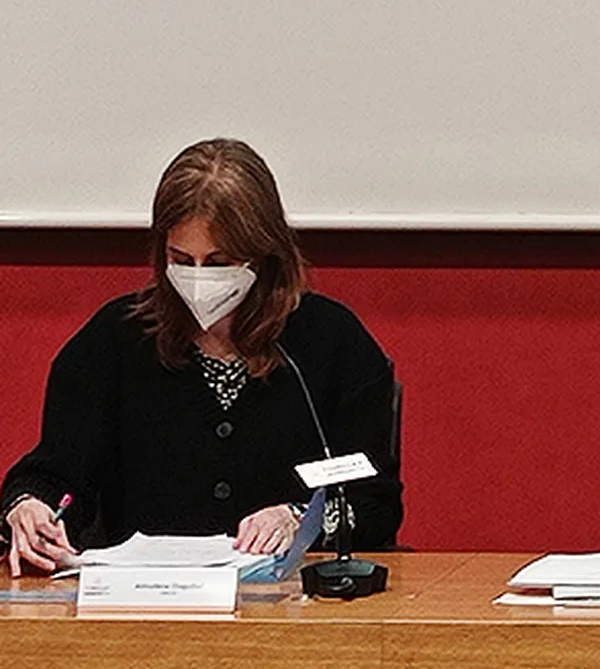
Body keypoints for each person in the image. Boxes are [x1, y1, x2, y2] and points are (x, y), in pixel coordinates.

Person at [1, 138, 402, 576]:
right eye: (181, 259)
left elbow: (373, 504)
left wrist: (297, 518)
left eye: (218, 262)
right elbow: (55, 475)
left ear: (263, 254)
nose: (198, 278)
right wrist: (30, 506)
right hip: (141, 598)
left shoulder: (330, 341)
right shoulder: (114, 340)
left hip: (286, 596)